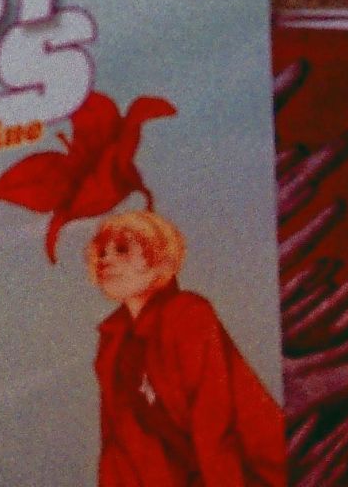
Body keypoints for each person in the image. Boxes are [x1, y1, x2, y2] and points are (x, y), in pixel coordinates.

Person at [84, 202, 281, 487]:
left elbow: (214, 427)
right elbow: (118, 444)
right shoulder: (114, 339)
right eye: (101, 252)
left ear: (160, 260)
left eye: (123, 250)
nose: (105, 260)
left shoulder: (188, 314)